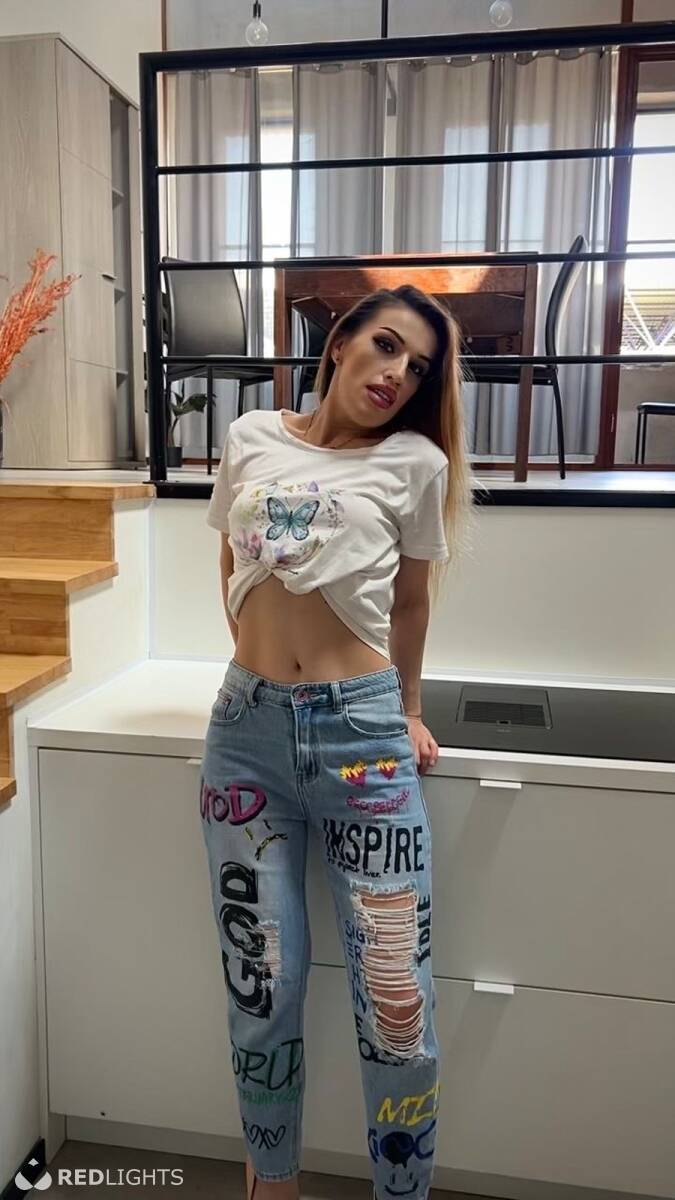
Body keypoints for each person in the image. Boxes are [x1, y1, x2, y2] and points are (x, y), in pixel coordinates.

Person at [199, 284, 477, 1200]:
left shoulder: (414, 462)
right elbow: (230, 556)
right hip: (244, 737)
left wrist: (407, 706)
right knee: (260, 989)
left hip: (362, 736)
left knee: (396, 1005)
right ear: (341, 342)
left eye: (419, 367)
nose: (398, 373)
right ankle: (269, 1186)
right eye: (387, 345)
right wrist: (252, 660)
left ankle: (402, 1191)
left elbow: (411, 601)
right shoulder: (251, 436)